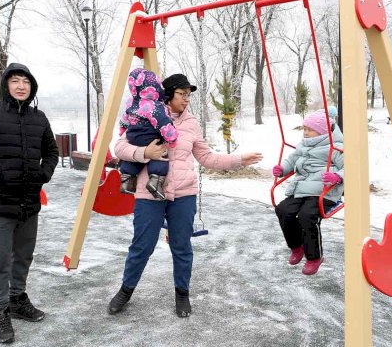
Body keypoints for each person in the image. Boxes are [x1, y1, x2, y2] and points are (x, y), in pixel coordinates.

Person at [109, 73, 263, 318]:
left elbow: (207, 157)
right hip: (149, 194)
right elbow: (119, 147)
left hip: (183, 194)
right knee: (142, 245)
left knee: (181, 246)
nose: (186, 99)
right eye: (182, 94)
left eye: (189, 95)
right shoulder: (147, 113)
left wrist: (237, 160)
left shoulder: (192, 123)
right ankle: (126, 291)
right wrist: (144, 152)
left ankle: (182, 293)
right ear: (168, 95)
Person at [0, 63, 58, 344]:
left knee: (24, 256)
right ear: (6, 85)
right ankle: (1, 310)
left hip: (29, 201)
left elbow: (51, 151)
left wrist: (44, 174)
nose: (20, 86)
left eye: (25, 82)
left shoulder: (38, 118)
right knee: (0, 259)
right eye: (15, 81)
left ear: (32, 87)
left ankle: (17, 299)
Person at [272, 110, 344, 276]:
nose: (305, 132)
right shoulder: (304, 144)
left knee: (307, 216)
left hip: (324, 191)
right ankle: (297, 247)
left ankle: (314, 257)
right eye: (304, 128)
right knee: (283, 210)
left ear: (322, 131)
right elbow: (292, 159)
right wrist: (283, 169)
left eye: (309, 129)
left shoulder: (336, 147)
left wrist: (337, 177)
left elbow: (349, 167)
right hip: (302, 188)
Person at [118, 67, 179, 200]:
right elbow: (163, 122)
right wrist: (172, 138)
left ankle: (127, 179)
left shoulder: (131, 102)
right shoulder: (155, 105)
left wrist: (123, 130)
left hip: (134, 137)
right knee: (160, 154)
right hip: (151, 137)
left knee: (135, 160)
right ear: (154, 86)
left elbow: (124, 118)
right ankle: (155, 181)